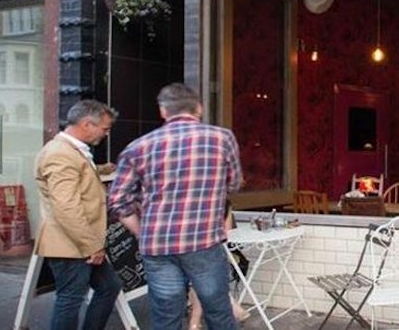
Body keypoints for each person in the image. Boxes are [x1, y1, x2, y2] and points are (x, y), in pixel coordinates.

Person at [108, 83, 243, 330]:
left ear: (163, 111)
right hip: (204, 240)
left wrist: (141, 232)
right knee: (218, 313)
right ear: (199, 108)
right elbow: (233, 184)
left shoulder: (138, 147)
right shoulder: (222, 139)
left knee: (166, 317)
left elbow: (117, 200)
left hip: (157, 245)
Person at [34, 99, 122, 330]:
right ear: (86, 124)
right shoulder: (60, 154)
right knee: (70, 299)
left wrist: (102, 169)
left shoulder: (72, 151)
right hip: (71, 244)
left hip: (80, 242)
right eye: (104, 128)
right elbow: (66, 206)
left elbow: (78, 177)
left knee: (109, 287)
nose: (106, 134)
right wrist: (91, 245)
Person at [187, 201, 249, 328]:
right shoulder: (223, 203)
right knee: (198, 277)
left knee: (196, 277)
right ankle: (231, 305)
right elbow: (227, 234)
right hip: (216, 255)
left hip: (202, 255)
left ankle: (194, 322)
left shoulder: (190, 207)